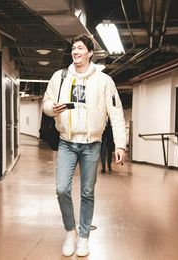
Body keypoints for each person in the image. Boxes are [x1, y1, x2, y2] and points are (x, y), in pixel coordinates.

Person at [42, 34, 126, 257]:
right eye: (73, 48)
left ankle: (84, 237)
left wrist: (120, 145)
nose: (75, 52)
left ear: (90, 53)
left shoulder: (104, 81)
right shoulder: (60, 77)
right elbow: (46, 103)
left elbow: (116, 113)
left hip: (91, 144)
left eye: (80, 48)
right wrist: (52, 108)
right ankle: (70, 232)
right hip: (67, 142)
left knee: (87, 192)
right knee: (62, 189)